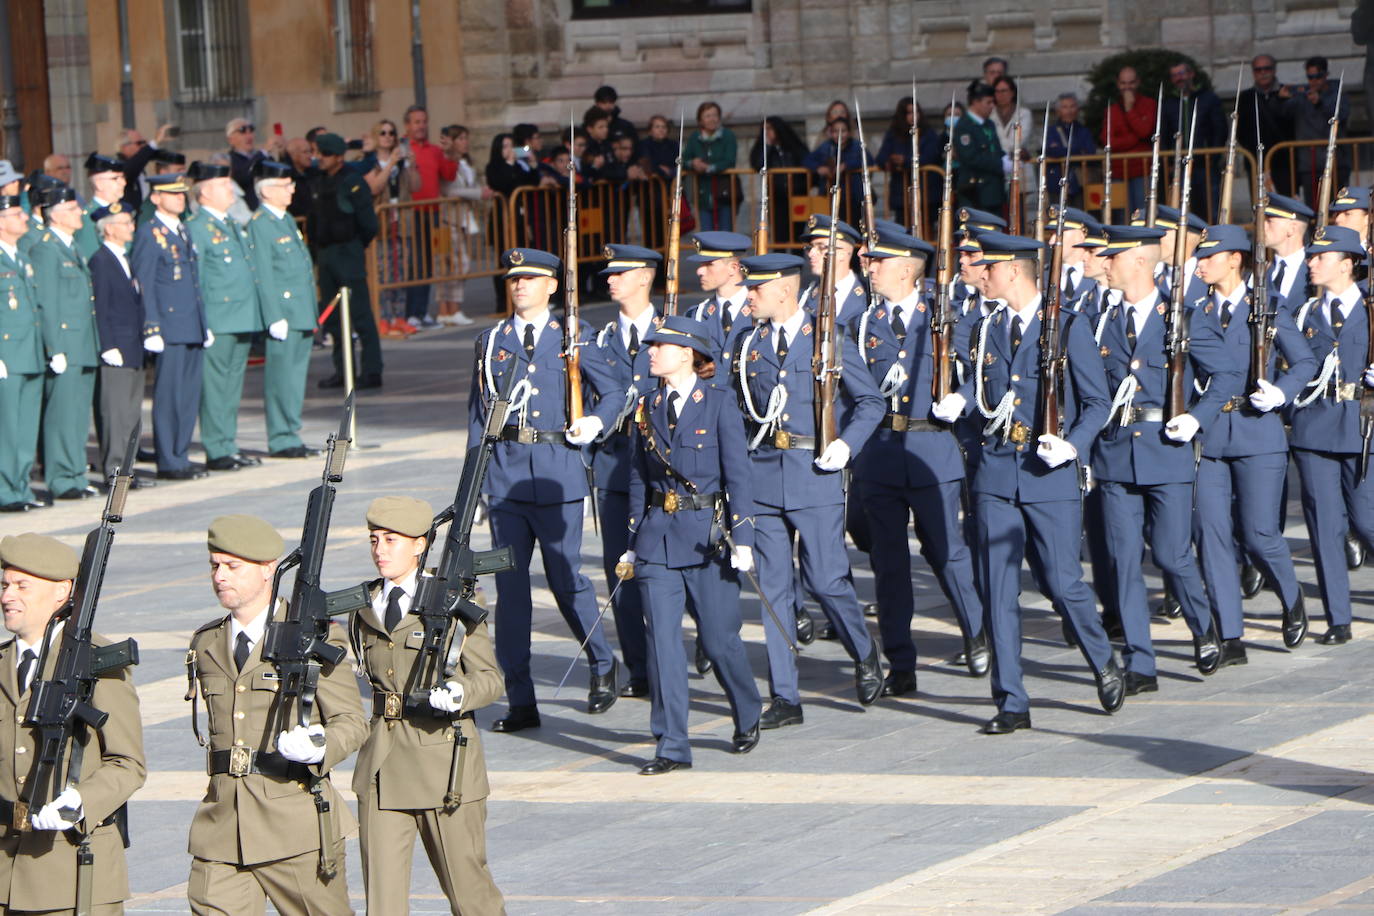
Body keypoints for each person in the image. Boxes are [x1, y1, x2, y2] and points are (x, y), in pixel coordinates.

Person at [932, 231, 1125, 732]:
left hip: (1047, 472)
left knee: (1062, 582)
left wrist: (1073, 443)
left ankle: (1101, 657)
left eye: (987, 268)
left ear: (1013, 271)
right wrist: (961, 403)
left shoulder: (1066, 328)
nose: (980, 275)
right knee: (997, 590)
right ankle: (1011, 700)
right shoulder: (984, 328)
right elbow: (982, 391)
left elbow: (1098, 401)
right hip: (996, 472)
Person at [467, 248, 620, 732]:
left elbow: (615, 390)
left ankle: (601, 660)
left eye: (531, 278)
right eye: (514, 279)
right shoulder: (490, 342)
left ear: (552, 286)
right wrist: (472, 488)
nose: (520, 285)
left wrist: (596, 421)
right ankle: (521, 699)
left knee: (565, 578)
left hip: (558, 473)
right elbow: (478, 419)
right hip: (507, 478)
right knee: (511, 593)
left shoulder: (575, 336)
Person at [732, 251, 885, 727]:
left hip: (814, 473)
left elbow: (871, 402)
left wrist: (846, 446)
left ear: (783, 289)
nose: (749, 296)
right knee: (773, 590)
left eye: (756, 289)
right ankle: (785, 695)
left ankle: (863, 650)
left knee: (825, 580)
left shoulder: (829, 340)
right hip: (762, 475)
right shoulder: (745, 343)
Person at [185, 515, 364, 914]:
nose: (220, 576)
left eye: (233, 566)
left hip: (294, 826)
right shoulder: (206, 641)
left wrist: (320, 746)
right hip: (222, 827)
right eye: (215, 565)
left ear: (268, 569)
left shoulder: (313, 635)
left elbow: (351, 722)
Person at [1092, 224, 1241, 694]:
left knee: (1173, 554)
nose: (1103, 265)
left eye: (1110, 257)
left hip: (1167, 448)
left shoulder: (1184, 316)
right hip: (1116, 452)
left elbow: (1227, 376)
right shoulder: (1101, 320)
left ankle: (1203, 627)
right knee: (1122, 560)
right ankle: (1141, 662)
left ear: (1137, 261)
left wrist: (1196, 418)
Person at [343, 496, 505, 914]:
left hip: (445, 765)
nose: (380, 549)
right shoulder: (362, 606)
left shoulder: (455, 602)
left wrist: (460, 694)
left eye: (391, 540)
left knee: (470, 894)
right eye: (374, 539)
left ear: (419, 545)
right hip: (382, 765)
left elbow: (490, 679)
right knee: (383, 903)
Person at [621, 315, 763, 774]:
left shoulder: (718, 404)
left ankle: (747, 710)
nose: (651, 353)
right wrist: (630, 541)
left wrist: (743, 537)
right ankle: (671, 746)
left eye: (660, 346)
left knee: (719, 641)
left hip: (708, 538)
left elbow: (739, 477)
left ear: (686, 353)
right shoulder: (645, 406)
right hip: (658, 539)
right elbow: (638, 480)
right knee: (662, 646)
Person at [852, 224, 989, 695]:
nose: (869, 269)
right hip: (881, 456)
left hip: (932, 451)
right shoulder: (864, 323)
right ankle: (901, 662)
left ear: (909, 269)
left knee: (946, 552)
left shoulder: (945, 318)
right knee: (889, 565)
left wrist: (964, 398)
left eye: (879, 262)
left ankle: (976, 631)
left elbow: (984, 371)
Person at [0, 532, 146, 914]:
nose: (6, 596)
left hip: (73, 874)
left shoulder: (97, 664)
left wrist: (81, 801)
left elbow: (128, 763)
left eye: (21, 586)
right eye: (4, 584)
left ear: (62, 592)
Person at [1190, 224, 1314, 662]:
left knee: (1259, 534)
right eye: (1199, 256)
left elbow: (1304, 361)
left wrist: (1281, 392)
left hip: (1256, 428)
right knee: (1211, 534)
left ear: (1234, 259)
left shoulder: (1265, 308)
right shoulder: (1194, 310)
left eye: (1209, 256)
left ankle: (1290, 594)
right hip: (1209, 433)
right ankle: (1230, 636)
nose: (1200, 263)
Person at [568, 245, 664, 699]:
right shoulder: (598, 341)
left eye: (620, 273)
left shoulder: (673, 332)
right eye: (608, 273)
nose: (610, 280)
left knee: (668, 565)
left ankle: (689, 648)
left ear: (645, 277)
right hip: (612, 466)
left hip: (662, 468)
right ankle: (639, 666)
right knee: (619, 570)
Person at [1284, 224, 1374, 646]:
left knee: (1367, 519)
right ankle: (1338, 617)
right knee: (1324, 527)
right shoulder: (1303, 314)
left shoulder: (1372, 309)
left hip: (1362, 428)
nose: (1312, 262)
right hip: (1313, 428)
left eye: (1321, 256)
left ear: (1347, 263)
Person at [186, 160, 265, 473]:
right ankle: (217, 448)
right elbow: (199, 279)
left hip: (241, 316)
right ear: (204, 193)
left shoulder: (230, 223)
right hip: (218, 318)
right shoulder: (198, 227)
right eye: (222, 185)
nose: (229, 189)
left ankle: (228, 444)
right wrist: (202, 321)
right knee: (216, 386)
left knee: (232, 386)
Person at [133, 172, 210, 480]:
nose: (181, 197)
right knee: (169, 395)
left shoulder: (183, 230)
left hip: (191, 323)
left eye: (182, 193)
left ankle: (180, 453)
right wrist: (151, 326)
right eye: (173, 193)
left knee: (189, 394)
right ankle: (168, 458)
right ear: (156, 198)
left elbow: (193, 281)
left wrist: (205, 323)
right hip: (169, 326)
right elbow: (146, 284)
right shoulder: (149, 234)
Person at [30, 185, 100, 500]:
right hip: (65, 343)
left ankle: (75, 472)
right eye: (72, 209)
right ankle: (61, 477)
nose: (80, 213)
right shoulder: (46, 248)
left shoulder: (69, 245)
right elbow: (47, 301)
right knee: (62, 414)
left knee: (77, 414)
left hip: (83, 341)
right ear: (55, 215)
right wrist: (53, 346)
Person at [247, 159, 320, 460]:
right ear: (266, 191)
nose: (292, 189)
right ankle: (280, 437)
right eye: (285, 185)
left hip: (299, 311)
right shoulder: (260, 225)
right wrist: (274, 314)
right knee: (281, 379)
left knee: (295, 377)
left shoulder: (285, 219)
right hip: (284, 313)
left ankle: (291, 431)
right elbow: (263, 273)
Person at [308, 132, 383, 390]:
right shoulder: (317, 182)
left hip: (347, 252)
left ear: (339, 157)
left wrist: (353, 247)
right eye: (318, 153)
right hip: (327, 254)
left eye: (325, 154)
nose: (319, 158)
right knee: (334, 318)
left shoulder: (352, 183)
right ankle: (344, 369)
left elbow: (369, 225)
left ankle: (372, 371)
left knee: (360, 314)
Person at [89, 202, 151, 487]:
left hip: (133, 346)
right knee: (115, 415)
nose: (131, 227)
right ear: (110, 228)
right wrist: (107, 343)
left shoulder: (124, 258)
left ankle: (126, 472)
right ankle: (115, 472)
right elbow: (100, 307)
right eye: (126, 223)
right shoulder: (101, 261)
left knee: (130, 414)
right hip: (116, 348)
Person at [0, 193, 43, 512]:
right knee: (7, 427)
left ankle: (20, 484)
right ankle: (5, 489)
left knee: (26, 426)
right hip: (7, 355)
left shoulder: (21, 256)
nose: (24, 218)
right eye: (17, 214)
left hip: (30, 352)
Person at [400, 105, 457, 330]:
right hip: (412, 213)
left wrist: (451, 153)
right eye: (416, 122)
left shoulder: (434, 150)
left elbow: (449, 174)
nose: (421, 126)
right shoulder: (404, 149)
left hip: (432, 212)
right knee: (414, 265)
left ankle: (421, 312)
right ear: (408, 125)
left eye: (424, 121)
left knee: (427, 265)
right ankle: (411, 313)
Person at [366, 118, 418, 338]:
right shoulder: (369, 161)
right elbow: (375, 187)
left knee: (400, 272)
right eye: (383, 133)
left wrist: (411, 165)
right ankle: (383, 318)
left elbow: (416, 186)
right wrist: (389, 165)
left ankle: (399, 317)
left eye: (391, 133)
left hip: (401, 221)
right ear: (376, 136)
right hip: (381, 223)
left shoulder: (402, 162)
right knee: (383, 272)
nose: (388, 137)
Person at [435, 124, 490, 327]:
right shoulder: (447, 161)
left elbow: (467, 185)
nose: (465, 142)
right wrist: (477, 193)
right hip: (448, 217)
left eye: (466, 138)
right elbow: (450, 189)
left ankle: (452, 308)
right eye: (461, 139)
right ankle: (448, 309)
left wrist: (479, 190)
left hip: (463, 218)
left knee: (457, 264)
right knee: (453, 264)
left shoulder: (466, 163)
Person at [1285, 57, 1350, 206]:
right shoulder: (1302, 95)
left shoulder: (1337, 93)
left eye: (1318, 76)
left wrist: (1320, 102)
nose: (1314, 81)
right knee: (1313, 209)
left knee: (1337, 208)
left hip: (1336, 162)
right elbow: (1283, 113)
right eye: (1310, 77)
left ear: (1326, 75)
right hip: (1310, 163)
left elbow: (1342, 114)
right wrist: (1281, 97)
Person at [876, 98, 942, 232]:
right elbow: (881, 158)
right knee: (903, 232)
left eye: (916, 112)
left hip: (926, 193)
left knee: (925, 232)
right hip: (902, 194)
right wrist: (892, 160)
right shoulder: (894, 134)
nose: (913, 116)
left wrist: (906, 161)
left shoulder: (928, 134)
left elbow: (931, 156)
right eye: (909, 113)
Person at [1101, 66, 1159, 215]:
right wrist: (1135, 139)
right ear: (1118, 84)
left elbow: (1145, 131)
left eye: (1131, 83)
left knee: (1143, 215)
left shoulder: (1149, 104)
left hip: (1143, 169)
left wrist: (1129, 110)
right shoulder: (1111, 110)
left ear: (1138, 82)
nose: (1127, 87)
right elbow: (1108, 142)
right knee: (1121, 216)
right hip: (1118, 171)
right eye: (1123, 83)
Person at [1239, 54, 1297, 196]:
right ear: (1253, 73)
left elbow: (1295, 122)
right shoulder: (1245, 97)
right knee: (1260, 205)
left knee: (1285, 205)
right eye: (1258, 70)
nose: (1263, 73)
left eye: (1267, 68)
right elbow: (1240, 131)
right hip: (1256, 161)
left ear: (1274, 70)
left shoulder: (1287, 92)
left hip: (1284, 160)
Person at [800, 215, 868, 328]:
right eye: (810, 247)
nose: (811, 253)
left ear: (843, 253)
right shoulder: (804, 297)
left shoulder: (868, 296)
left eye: (821, 247)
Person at [803, 117, 869, 229]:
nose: (839, 135)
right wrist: (819, 168)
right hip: (830, 194)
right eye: (835, 131)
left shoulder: (856, 145)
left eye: (843, 131)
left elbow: (868, 160)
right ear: (830, 132)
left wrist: (847, 165)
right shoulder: (826, 146)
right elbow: (807, 160)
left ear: (849, 132)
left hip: (854, 194)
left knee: (854, 225)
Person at [683, 101, 738, 231]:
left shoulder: (728, 136)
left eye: (714, 115)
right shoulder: (695, 138)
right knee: (706, 233)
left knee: (725, 231)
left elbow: (730, 160)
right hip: (703, 192)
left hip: (724, 191)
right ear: (700, 120)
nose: (712, 119)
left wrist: (709, 168)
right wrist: (693, 163)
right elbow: (684, 159)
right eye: (707, 116)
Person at [953, 83, 1007, 211]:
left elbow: (995, 149)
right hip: (975, 190)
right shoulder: (964, 126)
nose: (992, 106)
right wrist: (1000, 164)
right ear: (975, 102)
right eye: (988, 102)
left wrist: (1007, 159)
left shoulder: (989, 124)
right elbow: (970, 157)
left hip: (993, 189)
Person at [1044, 93, 1099, 211]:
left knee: (1080, 216)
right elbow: (1051, 151)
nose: (1069, 111)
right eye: (1065, 107)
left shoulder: (1084, 131)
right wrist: (1077, 150)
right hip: (1057, 181)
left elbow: (1090, 151)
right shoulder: (1051, 131)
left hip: (1079, 182)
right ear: (1058, 111)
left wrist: (1064, 151)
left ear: (1077, 109)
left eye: (1072, 106)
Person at [1262, 191, 1315, 313]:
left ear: (1292, 228)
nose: (1262, 226)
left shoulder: (1313, 269)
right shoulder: (1261, 272)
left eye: (1269, 221)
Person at [990, 77, 1035, 211]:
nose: (1001, 95)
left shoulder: (1024, 113)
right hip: (998, 170)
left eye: (1004, 91)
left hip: (1019, 169)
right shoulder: (990, 115)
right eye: (997, 91)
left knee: (1019, 213)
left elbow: (1019, 140)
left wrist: (999, 149)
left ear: (1012, 92)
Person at [74, 153, 128, 258]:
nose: (123, 183)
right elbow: (91, 257)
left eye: (123, 177)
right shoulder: (89, 218)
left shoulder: (123, 211)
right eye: (115, 179)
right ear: (99, 184)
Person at [225, 118, 282, 211]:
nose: (249, 136)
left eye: (251, 130)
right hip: (248, 213)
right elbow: (242, 176)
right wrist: (263, 151)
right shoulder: (229, 159)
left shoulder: (262, 157)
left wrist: (282, 152)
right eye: (242, 131)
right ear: (231, 139)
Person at [593, 85, 639, 154]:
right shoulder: (590, 126)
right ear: (597, 104)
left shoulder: (626, 126)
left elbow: (636, 149)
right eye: (604, 102)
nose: (607, 106)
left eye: (611, 102)